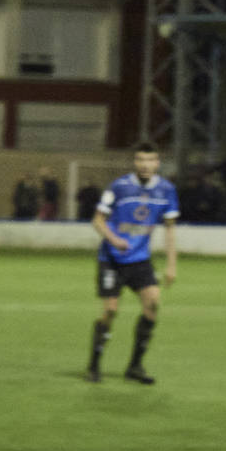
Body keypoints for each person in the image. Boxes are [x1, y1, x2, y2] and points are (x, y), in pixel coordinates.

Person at [84, 143, 178, 384]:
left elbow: (170, 230)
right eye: (140, 160)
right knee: (111, 311)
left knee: (153, 305)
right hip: (112, 260)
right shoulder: (119, 187)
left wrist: (171, 265)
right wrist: (114, 240)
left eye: (150, 160)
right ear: (135, 162)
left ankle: (135, 366)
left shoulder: (167, 190)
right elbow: (97, 220)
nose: (145, 165)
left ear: (158, 163)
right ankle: (94, 365)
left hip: (140, 261)